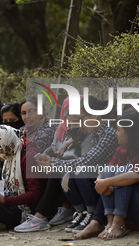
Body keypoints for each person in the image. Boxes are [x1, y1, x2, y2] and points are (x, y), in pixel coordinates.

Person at [14, 96, 117, 232]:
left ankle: (91, 215)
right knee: (67, 175)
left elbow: (87, 160)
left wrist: (54, 162)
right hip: (93, 176)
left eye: (81, 118)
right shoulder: (94, 132)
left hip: (104, 179)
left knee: (78, 173)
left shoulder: (108, 134)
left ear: (95, 116)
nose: (79, 123)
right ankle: (81, 213)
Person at [95, 110, 139, 239]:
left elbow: (137, 175)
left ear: (131, 132)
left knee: (123, 172)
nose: (116, 133)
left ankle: (119, 223)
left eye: (119, 130)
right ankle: (110, 222)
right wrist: (100, 181)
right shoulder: (123, 148)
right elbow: (106, 169)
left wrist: (107, 182)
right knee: (108, 171)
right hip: (128, 206)